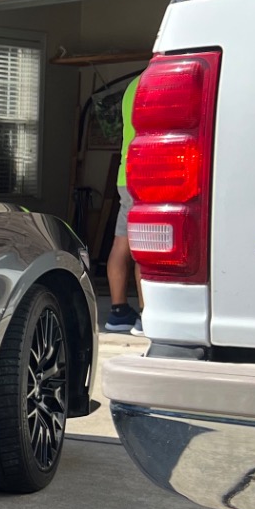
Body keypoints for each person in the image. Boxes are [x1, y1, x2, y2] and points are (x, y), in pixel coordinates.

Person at [105, 73, 142, 334]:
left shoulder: (132, 85)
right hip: (148, 174)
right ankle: (147, 314)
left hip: (125, 175)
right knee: (147, 243)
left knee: (122, 243)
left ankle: (119, 312)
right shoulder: (159, 80)